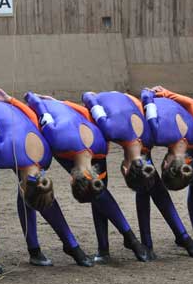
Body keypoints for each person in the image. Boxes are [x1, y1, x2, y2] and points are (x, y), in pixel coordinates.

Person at [0, 84, 94, 273]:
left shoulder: (45, 158)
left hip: (5, 116)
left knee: (39, 189)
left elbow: (32, 118)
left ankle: (65, 246)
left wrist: (9, 100)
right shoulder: (4, 155)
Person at [25, 91, 152, 263]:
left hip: (63, 123)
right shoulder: (101, 147)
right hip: (74, 125)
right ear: (72, 179)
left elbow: (47, 112)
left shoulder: (69, 143)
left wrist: (32, 99)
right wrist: (48, 101)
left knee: (28, 187)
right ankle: (130, 239)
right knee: (96, 189)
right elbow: (81, 115)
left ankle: (54, 247)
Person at [81, 90, 193, 259]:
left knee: (102, 188)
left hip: (111, 122)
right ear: (124, 169)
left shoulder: (148, 133)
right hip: (125, 119)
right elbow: (91, 100)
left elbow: (89, 98)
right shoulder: (149, 135)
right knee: (146, 182)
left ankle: (108, 248)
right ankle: (180, 237)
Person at [140, 86, 193, 191]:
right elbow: (146, 96)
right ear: (165, 164)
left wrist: (167, 93)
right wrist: (152, 92)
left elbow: (191, 103)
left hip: (167, 96)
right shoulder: (158, 137)